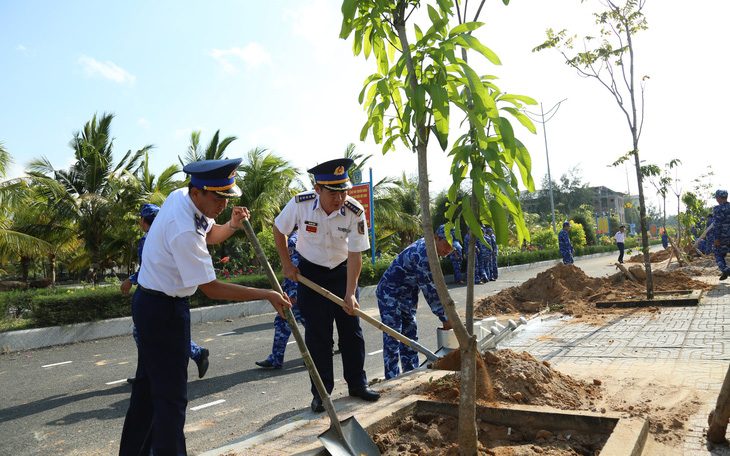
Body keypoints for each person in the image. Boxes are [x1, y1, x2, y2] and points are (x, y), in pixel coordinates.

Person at [119, 158, 291, 456]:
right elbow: (211, 289)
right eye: (217, 197)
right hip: (163, 312)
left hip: (153, 304)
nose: (222, 204)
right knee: (171, 400)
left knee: (148, 392)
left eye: (227, 196)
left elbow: (210, 234)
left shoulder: (182, 198)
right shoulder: (183, 227)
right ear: (197, 192)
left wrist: (232, 225)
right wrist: (265, 293)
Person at [273, 158, 379, 414]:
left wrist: (351, 293)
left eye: (344, 191)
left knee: (351, 331)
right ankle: (322, 393)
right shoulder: (301, 204)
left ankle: (357, 384)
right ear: (318, 188)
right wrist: (288, 265)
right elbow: (279, 229)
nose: (340, 198)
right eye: (333, 192)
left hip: (342, 273)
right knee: (318, 337)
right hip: (310, 274)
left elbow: (355, 255)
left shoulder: (355, 211)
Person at [121, 203, 210, 383]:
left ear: (144, 220)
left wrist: (130, 280)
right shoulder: (166, 233)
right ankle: (147, 373)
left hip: (154, 294)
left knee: (145, 334)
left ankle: (152, 373)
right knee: (161, 334)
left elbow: (149, 267)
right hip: (170, 294)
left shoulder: (148, 239)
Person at [376, 225, 454, 379]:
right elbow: (431, 292)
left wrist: (413, 298)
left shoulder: (432, 250)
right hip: (389, 293)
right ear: (436, 238)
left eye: (452, 248)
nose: (449, 250)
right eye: (446, 245)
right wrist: (446, 318)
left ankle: (411, 375)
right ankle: (391, 380)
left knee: (410, 336)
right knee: (393, 337)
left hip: (407, 295)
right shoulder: (423, 254)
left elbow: (415, 278)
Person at [256, 227, 306, 369]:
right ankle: (319, 353)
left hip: (296, 293)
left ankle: (276, 359)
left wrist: (293, 293)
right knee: (310, 324)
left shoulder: (293, 239)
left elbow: (294, 267)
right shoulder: (305, 236)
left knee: (283, 322)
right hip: (305, 291)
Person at [712, 190, 730, 281]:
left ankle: (725, 270)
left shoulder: (718, 209)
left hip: (723, 236)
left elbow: (717, 224)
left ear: (719, 197)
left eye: (716, 198)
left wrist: (716, 238)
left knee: (718, 253)